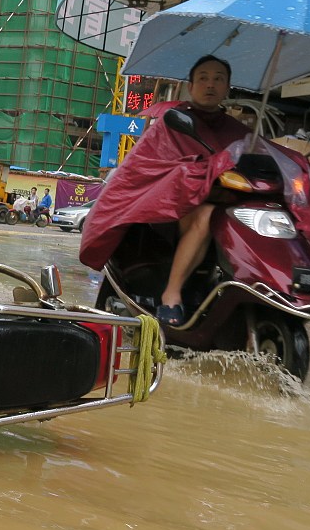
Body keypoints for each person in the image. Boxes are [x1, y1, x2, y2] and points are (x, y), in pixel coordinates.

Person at [79, 55, 257, 327]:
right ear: (191, 86)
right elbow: (144, 168)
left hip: (221, 205)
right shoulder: (172, 123)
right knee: (204, 215)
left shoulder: (237, 131)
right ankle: (171, 295)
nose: (210, 84)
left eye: (218, 79)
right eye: (203, 78)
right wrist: (194, 174)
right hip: (166, 210)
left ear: (227, 87)